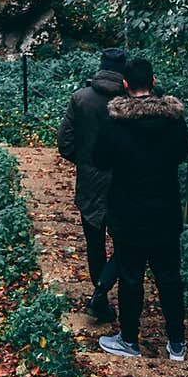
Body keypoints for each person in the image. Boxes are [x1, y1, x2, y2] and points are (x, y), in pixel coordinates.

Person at [93, 56, 188, 361]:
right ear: (154, 82)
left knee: (131, 276)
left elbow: (99, 158)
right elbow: (181, 154)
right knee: (169, 276)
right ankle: (176, 343)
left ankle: (130, 340)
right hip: (165, 211)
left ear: (124, 85)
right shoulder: (174, 122)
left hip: (129, 212)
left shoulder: (117, 122)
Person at [57, 46, 126, 323]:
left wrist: (85, 161)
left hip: (89, 180)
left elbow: (65, 142)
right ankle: (106, 290)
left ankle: (101, 297)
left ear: (100, 66)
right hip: (124, 181)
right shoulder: (130, 102)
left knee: (94, 242)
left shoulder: (81, 98)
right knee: (127, 241)